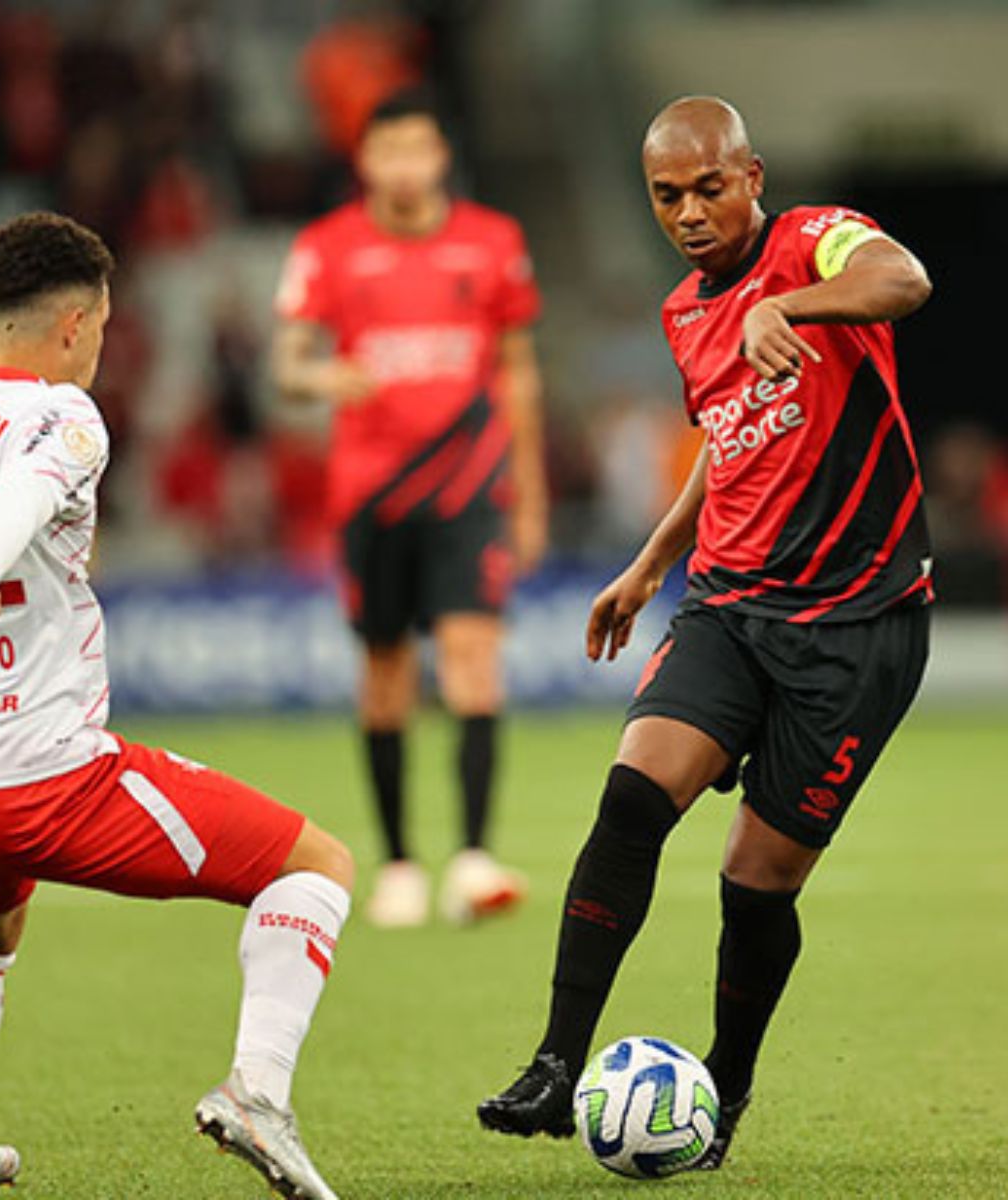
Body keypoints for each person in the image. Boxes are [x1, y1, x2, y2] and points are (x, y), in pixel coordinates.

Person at [0, 212, 352, 1200]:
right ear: (75, 322)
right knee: (316, 867)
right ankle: (258, 1093)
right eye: (101, 326)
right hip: (44, 783)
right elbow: (22, 493)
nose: (101, 345)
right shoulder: (67, 415)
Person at [478, 96, 933, 1168]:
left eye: (709, 187)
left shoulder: (818, 239)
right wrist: (647, 565)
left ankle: (721, 1098)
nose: (688, 212)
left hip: (858, 626)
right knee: (633, 798)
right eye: (667, 195)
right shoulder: (686, 311)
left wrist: (802, 308)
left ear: (753, 174)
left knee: (754, 882)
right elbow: (728, 444)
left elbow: (907, 280)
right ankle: (554, 1064)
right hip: (729, 602)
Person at [273, 88, 547, 928]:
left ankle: (470, 858)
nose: (403, 167)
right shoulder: (327, 249)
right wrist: (324, 377)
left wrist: (529, 494)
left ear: (439, 157)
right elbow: (287, 365)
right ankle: (397, 864)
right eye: (386, 152)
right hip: (371, 495)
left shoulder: (494, 244)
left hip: (468, 491)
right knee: (386, 672)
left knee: (473, 655)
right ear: (366, 162)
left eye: (417, 150)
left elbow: (519, 373)